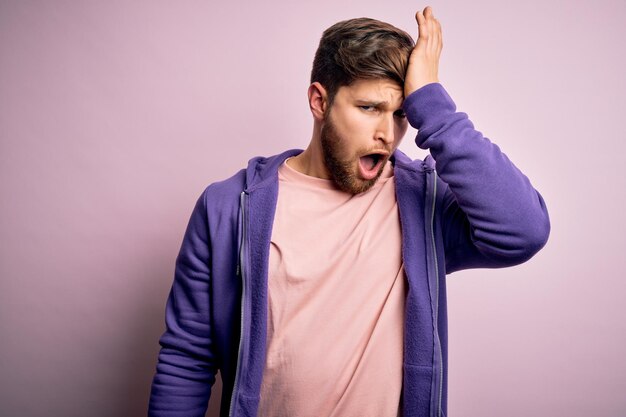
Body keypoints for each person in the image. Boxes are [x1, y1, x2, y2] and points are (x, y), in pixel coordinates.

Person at [148, 6, 550, 417]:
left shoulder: (423, 204)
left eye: (401, 114)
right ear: (319, 100)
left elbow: (524, 230)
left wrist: (433, 106)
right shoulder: (228, 207)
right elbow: (187, 358)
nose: (387, 133)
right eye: (369, 108)